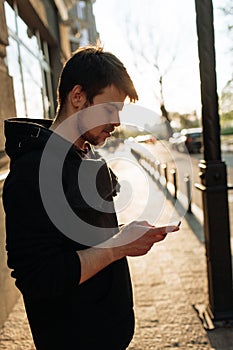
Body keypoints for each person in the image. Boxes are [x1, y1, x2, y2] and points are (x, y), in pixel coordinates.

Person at [3, 45, 179, 350]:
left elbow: (91, 238)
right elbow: (38, 278)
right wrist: (119, 246)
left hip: (110, 331)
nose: (117, 123)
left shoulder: (86, 154)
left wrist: (126, 235)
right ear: (78, 97)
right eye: (109, 110)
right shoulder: (33, 171)